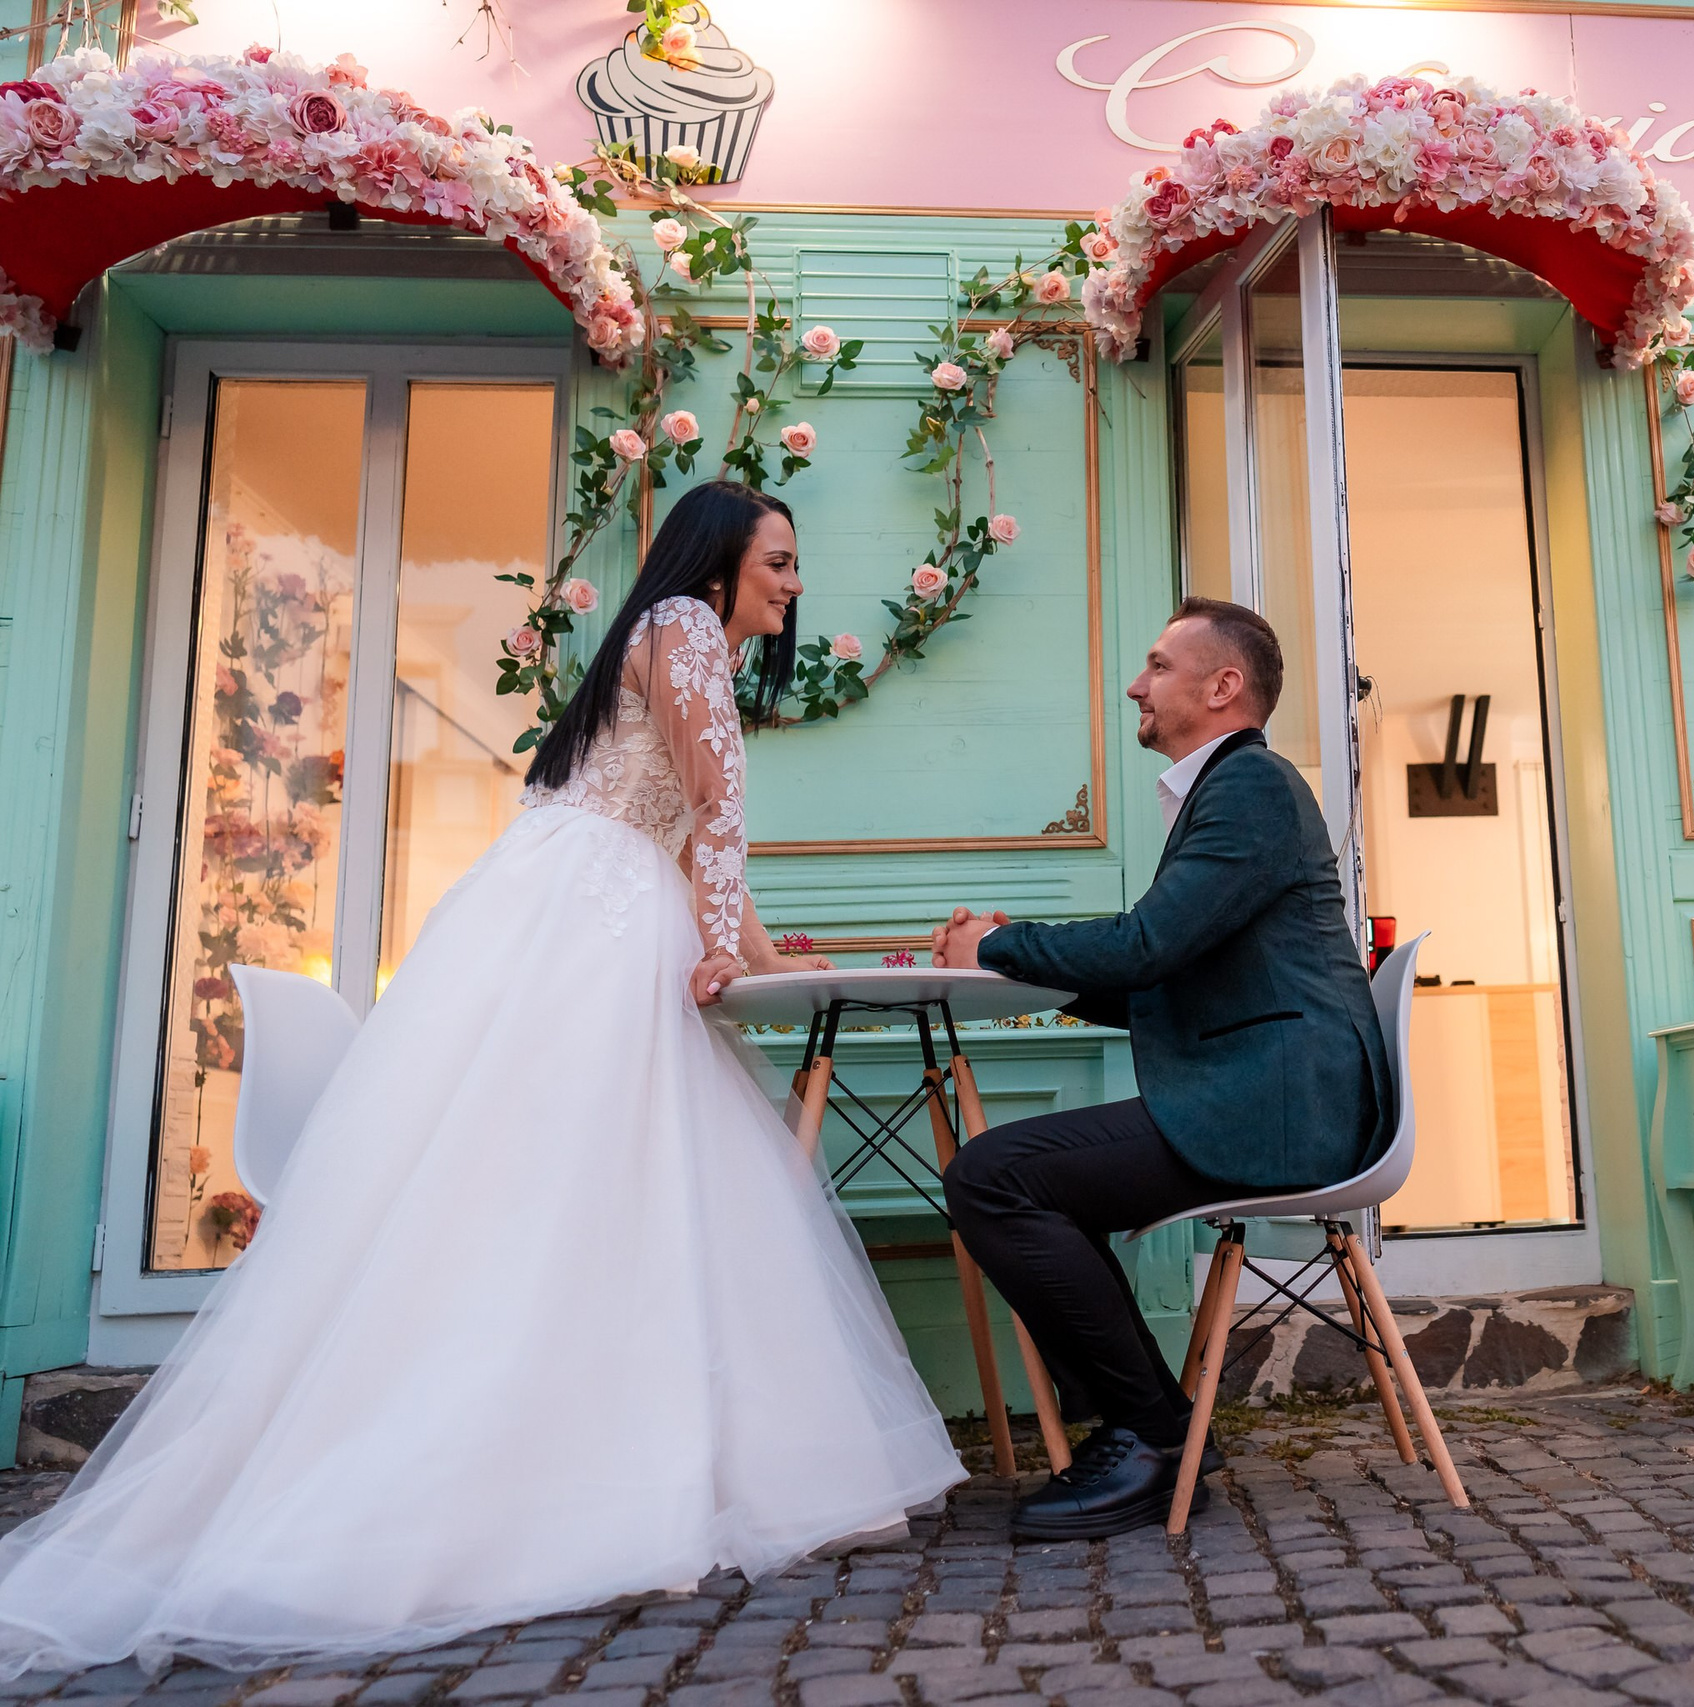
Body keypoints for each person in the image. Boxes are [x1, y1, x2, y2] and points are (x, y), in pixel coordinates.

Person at [0, 483, 963, 1678]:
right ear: (719, 565)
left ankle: (580, 1452)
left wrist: (761, 953)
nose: (793, 582)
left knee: (546, 1187)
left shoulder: (650, 634)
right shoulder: (687, 628)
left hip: (571, 903)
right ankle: (581, 1469)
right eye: (778, 559)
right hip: (604, 926)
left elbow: (682, 829)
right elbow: (715, 810)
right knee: (598, 1185)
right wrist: (721, 948)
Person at [934, 597, 1391, 1540]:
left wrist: (1002, 944)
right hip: (1264, 1094)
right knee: (1013, 1179)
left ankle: (1150, 1434)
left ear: (1223, 687)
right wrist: (1026, 969)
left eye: (1157, 666)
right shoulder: (1234, 788)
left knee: (996, 1176)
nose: (1137, 685)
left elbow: (1148, 944)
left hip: (1276, 1109)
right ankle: (1150, 1426)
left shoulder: (1252, 785)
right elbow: (1169, 968)